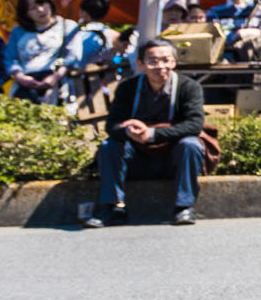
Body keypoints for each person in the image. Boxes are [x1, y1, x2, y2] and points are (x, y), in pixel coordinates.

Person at [85, 38, 206, 228]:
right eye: (153, 61)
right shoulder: (128, 87)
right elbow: (112, 126)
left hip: (173, 156)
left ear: (174, 61)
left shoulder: (189, 87)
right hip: (137, 155)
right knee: (109, 146)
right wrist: (129, 131)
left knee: (190, 144)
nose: (160, 67)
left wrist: (151, 134)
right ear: (140, 64)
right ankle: (112, 206)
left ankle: (184, 207)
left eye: (166, 60)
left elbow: (194, 125)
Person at [7, 0, 77, 104]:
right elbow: (10, 58)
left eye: (42, 4)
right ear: (26, 14)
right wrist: (19, 77)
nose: (40, 10)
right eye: (33, 8)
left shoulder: (67, 26)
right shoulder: (17, 32)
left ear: (50, 3)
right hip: (26, 85)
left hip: (58, 83)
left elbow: (72, 56)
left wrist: (56, 77)